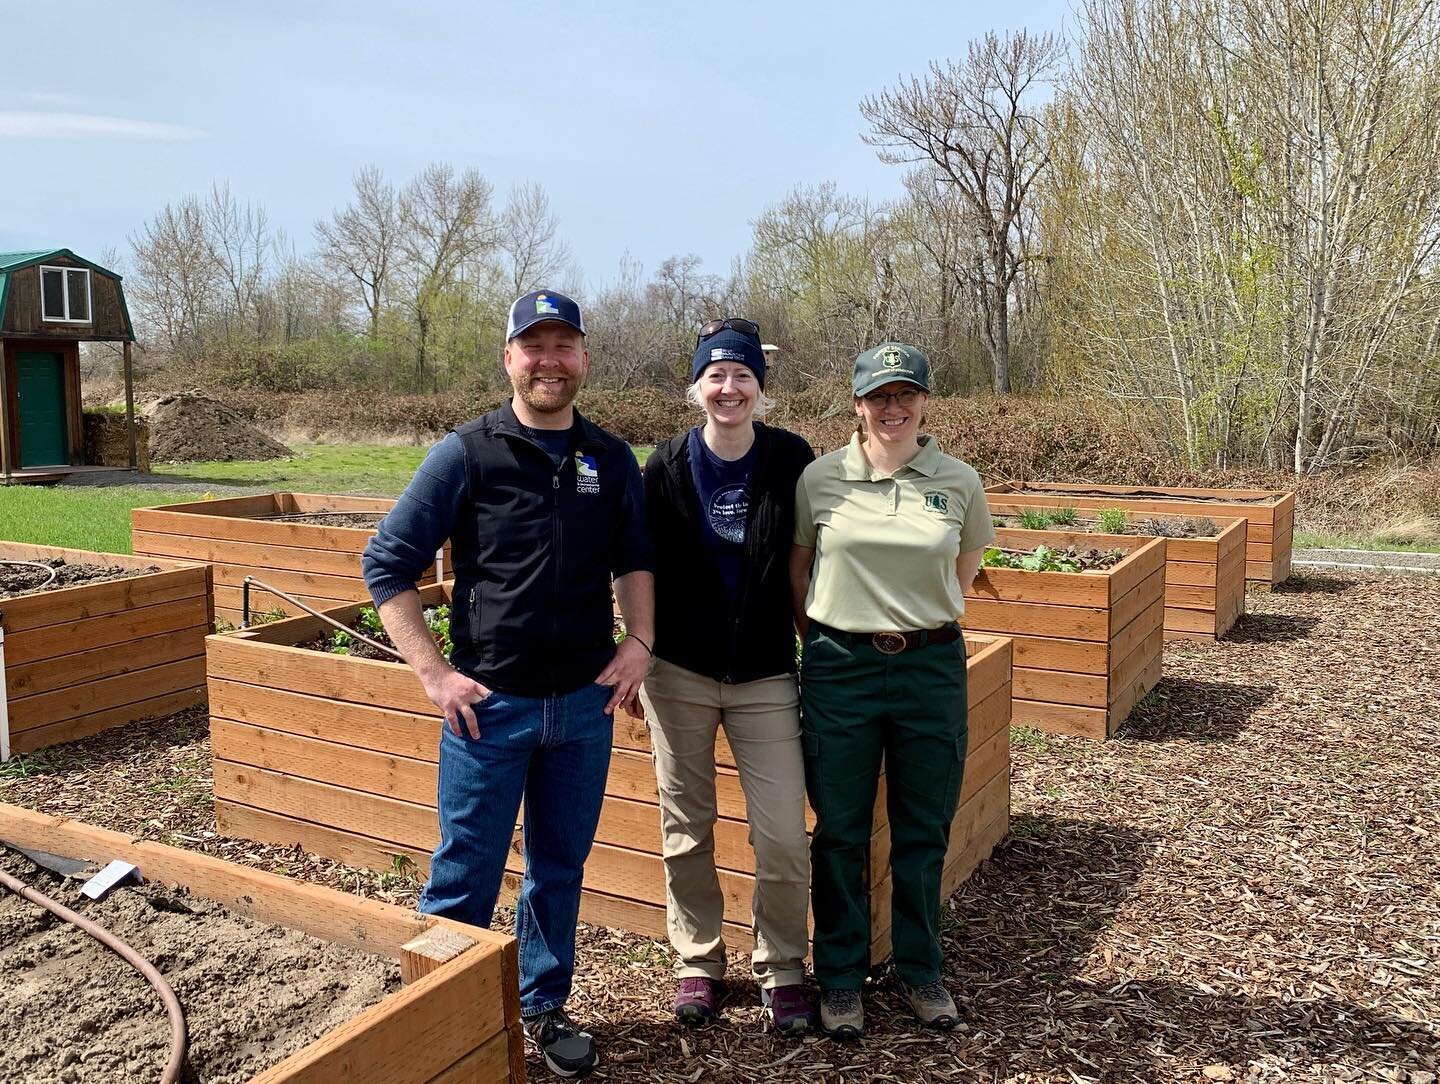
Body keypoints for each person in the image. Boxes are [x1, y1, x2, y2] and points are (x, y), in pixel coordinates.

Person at [362, 290, 655, 1078]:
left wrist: (642, 642)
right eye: (535, 346)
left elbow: (633, 560)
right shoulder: (468, 453)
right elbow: (386, 564)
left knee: (559, 869)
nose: (549, 361)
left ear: (584, 359)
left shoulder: (609, 457)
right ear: (509, 358)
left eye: (564, 346)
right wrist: (434, 674)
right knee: (466, 871)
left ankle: (543, 1005)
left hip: (586, 710)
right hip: (489, 710)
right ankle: (438, 1027)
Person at [788, 342, 994, 1040]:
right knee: (840, 831)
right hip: (839, 668)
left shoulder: (958, 481)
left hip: (928, 669)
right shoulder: (820, 479)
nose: (892, 407)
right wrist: (831, 636)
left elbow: (961, 578)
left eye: (905, 394)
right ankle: (841, 977)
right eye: (879, 395)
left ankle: (918, 968)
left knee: (922, 828)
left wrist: (908, 624)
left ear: (925, 401)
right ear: (857, 403)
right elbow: (800, 573)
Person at [639, 318, 817, 1033]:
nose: (729, 387)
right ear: (697, 387)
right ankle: (698, 960)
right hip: (678, 672)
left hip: (767, 673)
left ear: (759, 389)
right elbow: (638, 566)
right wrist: (636, 648)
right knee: (687, 824)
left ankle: (781, 966)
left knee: (779, 831)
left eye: (742, 375)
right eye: (716, 375)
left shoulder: (791, 460)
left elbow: (815, 557)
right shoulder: (666, 465)